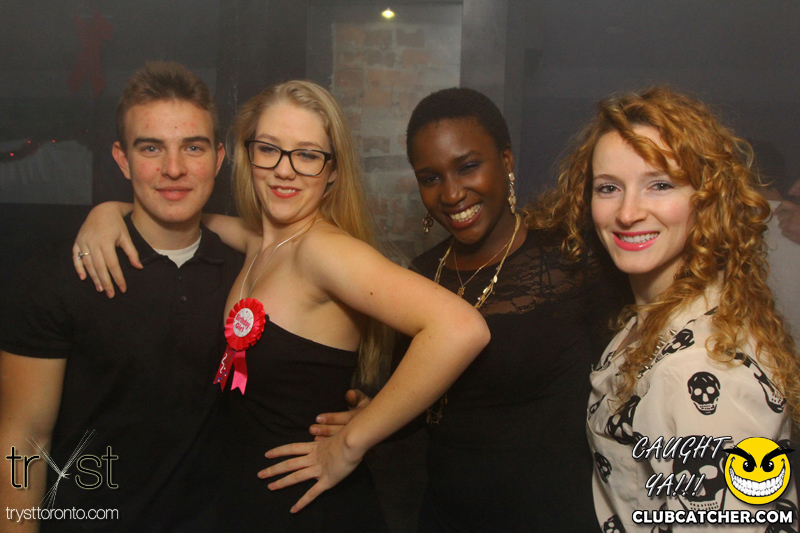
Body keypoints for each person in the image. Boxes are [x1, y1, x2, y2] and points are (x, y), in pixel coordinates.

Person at [71, 80, 490, 531]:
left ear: (332, 171)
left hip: (312, 509)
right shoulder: (261, 241)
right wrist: (110, 211)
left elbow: (461, 328)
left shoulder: (324, 251)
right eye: (269, 149)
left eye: (307, 155)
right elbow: (187, 216)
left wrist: (351, 442)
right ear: (247, 155)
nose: (284, 171)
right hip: (251, 502)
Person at [311, 87, 632, 531]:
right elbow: (426, 404)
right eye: (430, 177)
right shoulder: (421, 276)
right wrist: (375, 414)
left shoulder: (572, 261)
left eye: (467, 167)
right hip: (447, 518)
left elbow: (629, 388)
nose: (451, 193)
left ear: (506, 160)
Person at [531, 86, 800, 531]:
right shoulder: (650, 323)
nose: (627, 212)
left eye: (659, 185)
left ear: (707, 198)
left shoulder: (701, 368)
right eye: (608, 188)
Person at [0, 62, 242, 532]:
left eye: (192, 147)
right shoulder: (59, 276)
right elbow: (23, 439)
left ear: (217, 158)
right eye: (151, 148)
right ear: (122, 158)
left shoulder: (245, 272)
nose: (174, 169)